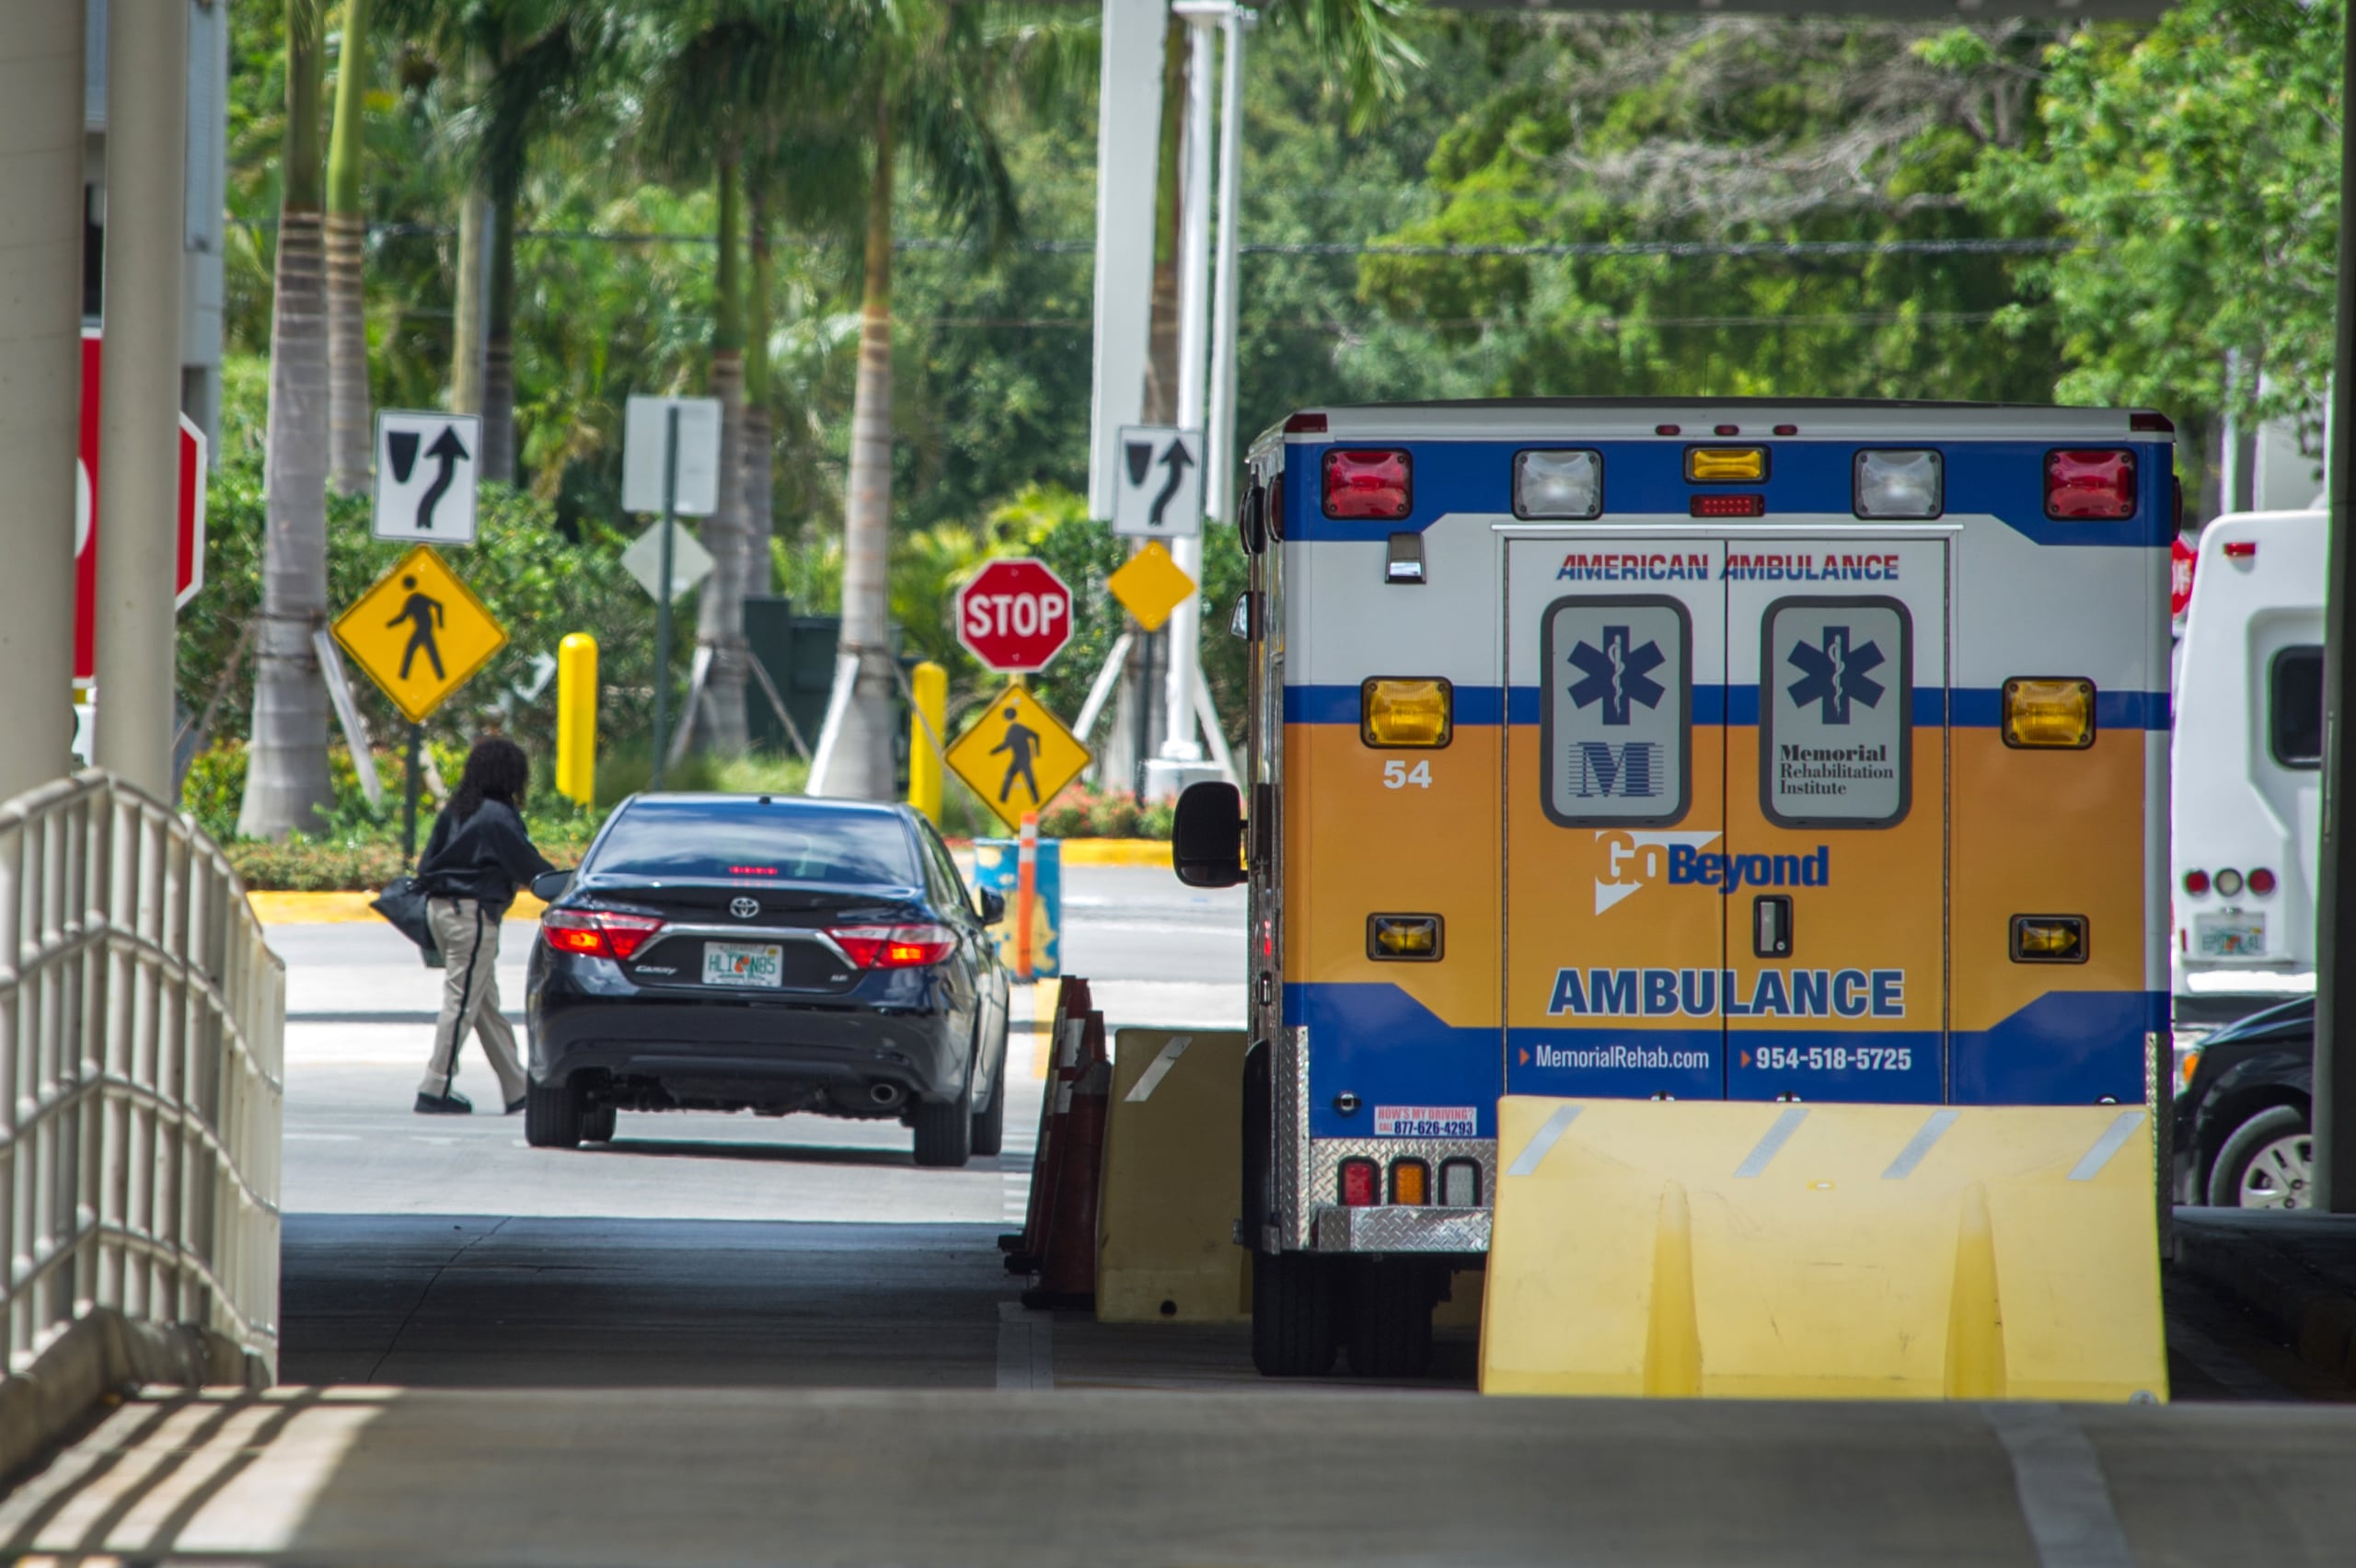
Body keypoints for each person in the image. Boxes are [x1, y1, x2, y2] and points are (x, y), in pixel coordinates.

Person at [412, 736, 555, 1114]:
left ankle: (517, 1089)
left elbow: (426, 865)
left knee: (484, 1004)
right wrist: (569, 887)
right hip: (472, 916)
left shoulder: (457, 811)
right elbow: (528, 867)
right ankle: (435, 1085)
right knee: (460, 1002)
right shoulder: (498, 816)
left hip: (441, 911)